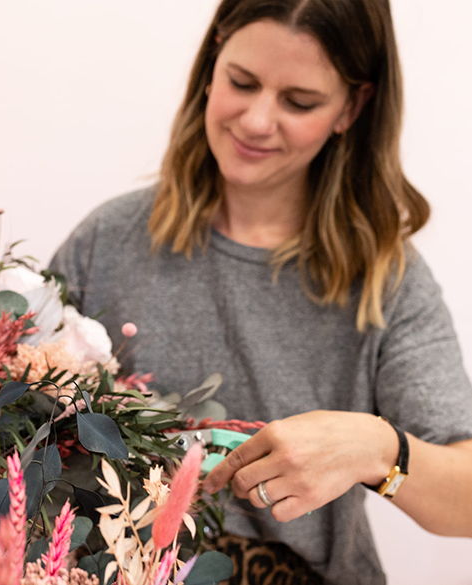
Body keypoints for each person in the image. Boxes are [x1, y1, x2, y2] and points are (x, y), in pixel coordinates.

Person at [48, 0, 472, 583]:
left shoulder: (386, 282)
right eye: (241, 82)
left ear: (353, 106)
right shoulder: (109, 241)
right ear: (212, 62)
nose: (254, 120)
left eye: (299, 102)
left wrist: (380, 448)